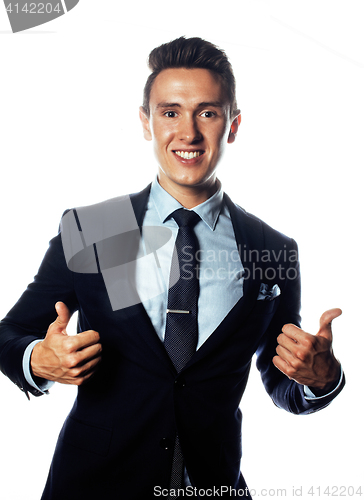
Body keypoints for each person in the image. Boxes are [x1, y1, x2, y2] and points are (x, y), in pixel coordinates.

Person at [0, 37, 344, 500]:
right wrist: (36, 358)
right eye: (170, 112)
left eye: (207, 112)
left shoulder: (271, 247)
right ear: (146, 122)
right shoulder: (95, 229)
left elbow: (283, 377)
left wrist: (321, 379)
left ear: (233, 124)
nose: (188, 133)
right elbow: (10, 335)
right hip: (92, 486)